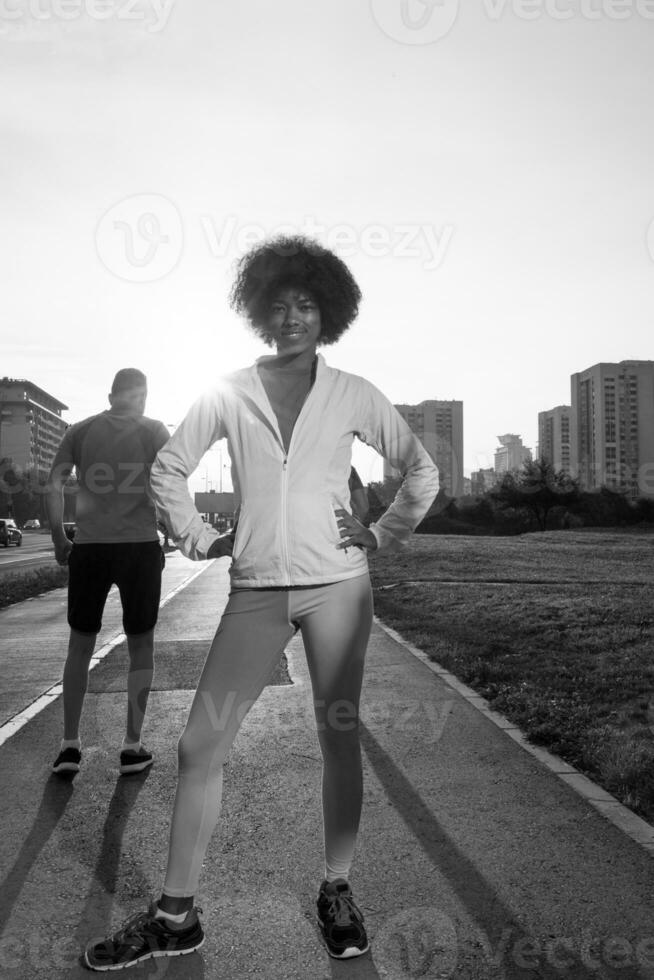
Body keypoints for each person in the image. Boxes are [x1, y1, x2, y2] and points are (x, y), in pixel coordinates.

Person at [83, 237, 439, 970]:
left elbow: (420, 471)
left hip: (339, 588)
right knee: (199, 746)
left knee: (338, 736)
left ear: (328, 312)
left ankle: (337, 889)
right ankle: (176, 915)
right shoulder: (229, 389)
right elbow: (169, 468)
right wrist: (200, 536)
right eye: (278, 306)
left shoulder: (354, 394)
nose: (292, 317)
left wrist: (379, 531)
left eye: (306, 305)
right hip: (256, 593)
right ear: (260, 314)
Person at [48, 368, 170, 777]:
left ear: (110, 395)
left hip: (91, 548)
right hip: (138, 547)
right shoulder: (154, 430)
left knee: (80, 646)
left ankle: (69, 746)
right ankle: (132, 747)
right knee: (141, 646)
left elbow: (55, 482)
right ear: (142, 396)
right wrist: (170, 532)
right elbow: (169, 484)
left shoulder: (79, 431)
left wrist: (58, 538)